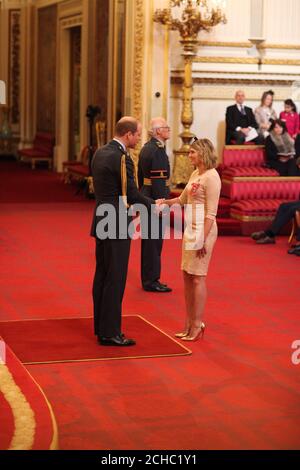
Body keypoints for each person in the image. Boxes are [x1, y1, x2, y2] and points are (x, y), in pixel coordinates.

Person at [91, 117, 158, 346]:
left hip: (101, 217)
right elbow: (130, 193)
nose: (139, 139)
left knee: (102, 273)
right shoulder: (122, 158)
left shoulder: (99, 152)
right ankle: (111, 332)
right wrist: (152, 204)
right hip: (117, 221)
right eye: (138, 135)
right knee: (115, 277)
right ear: (128, 134)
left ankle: (101, 327)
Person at [162, 139, 221, 341]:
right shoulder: (196, 173)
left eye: (192, 152)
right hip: (190, 230)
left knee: (198, 277)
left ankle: (197, 324)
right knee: (187, 276)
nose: (189, 156)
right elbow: (182, 200)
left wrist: (202, 240)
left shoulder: (212, 177)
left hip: (204, 231)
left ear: (203, 153)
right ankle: (188, 322)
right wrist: (165, 202)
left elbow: (211, 214)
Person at [138, 117, 172, 293]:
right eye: (166, 127)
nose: (169, 129)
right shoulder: (157, 151)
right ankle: (152, 280)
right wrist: (162, 203)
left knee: (149, 242)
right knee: (153, 242)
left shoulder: (146, 148)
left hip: (146, 196)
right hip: (155, 200)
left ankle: (148, 278)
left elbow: (140, 177)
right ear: (158, 131)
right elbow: (159, 182)